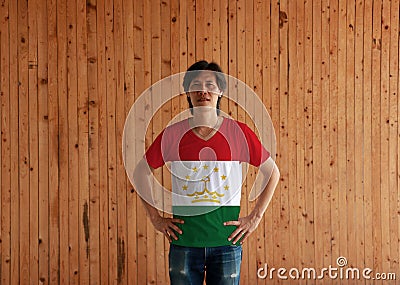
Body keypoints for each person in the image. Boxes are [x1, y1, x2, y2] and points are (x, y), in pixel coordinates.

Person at [133, 60, 280, 285]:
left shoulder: (239, 132)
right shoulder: (172, 135)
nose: (203, 90)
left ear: (220, 91)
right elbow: (140, 173)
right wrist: (155, 219)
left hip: (226, 245)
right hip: (184, 244)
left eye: (210, 84)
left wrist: (255, 218)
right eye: (196, 84)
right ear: (188, 92)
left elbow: (273, 173)